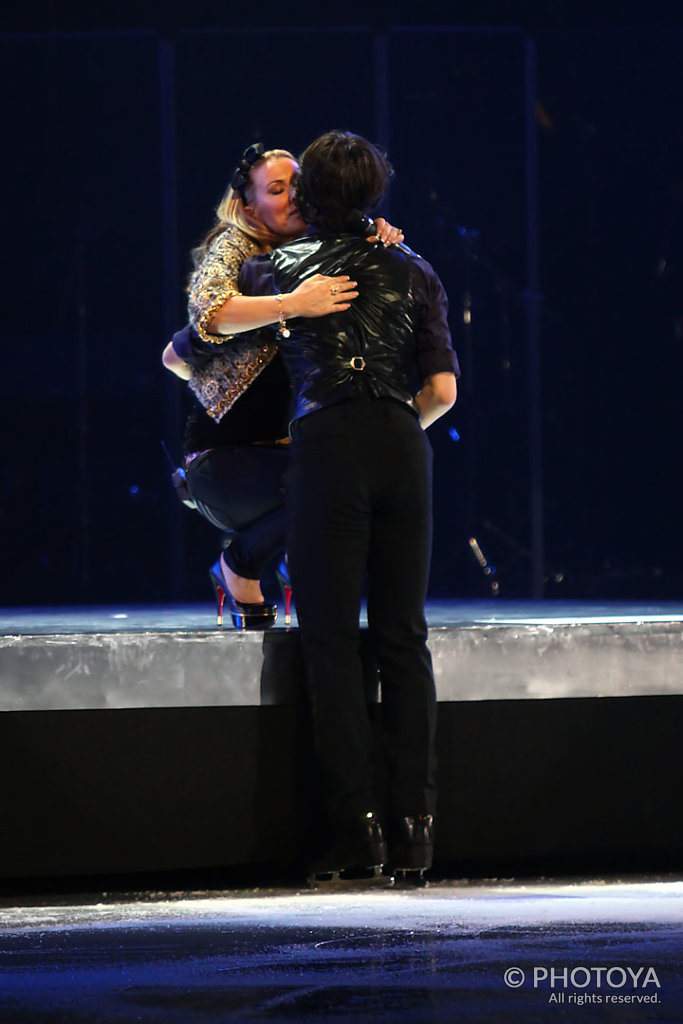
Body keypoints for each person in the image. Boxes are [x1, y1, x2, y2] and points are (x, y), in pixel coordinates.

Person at [238, 130, 459, 881]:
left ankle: (355, 832)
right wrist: (389, 428)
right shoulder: (415, 269)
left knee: (330, 642)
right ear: (375, 194)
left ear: (303, 198)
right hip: (402, 445)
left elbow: (195, 338)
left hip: (328, 448)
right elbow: (442, 394)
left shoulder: (277, 270)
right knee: (402, 639)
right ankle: (415, 830)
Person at [162, 143, 402, 627]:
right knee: (328, 488)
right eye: (276, 189)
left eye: (297, 183)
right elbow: (208, 313)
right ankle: (240, 565)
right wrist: (292, 303)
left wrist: (374, 233)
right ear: (249, 207)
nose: (293, 195)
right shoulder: (236, 246)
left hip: (290, 456)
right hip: (226, 461)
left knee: (355, 483)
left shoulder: (313, 244)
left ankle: (290, 560)